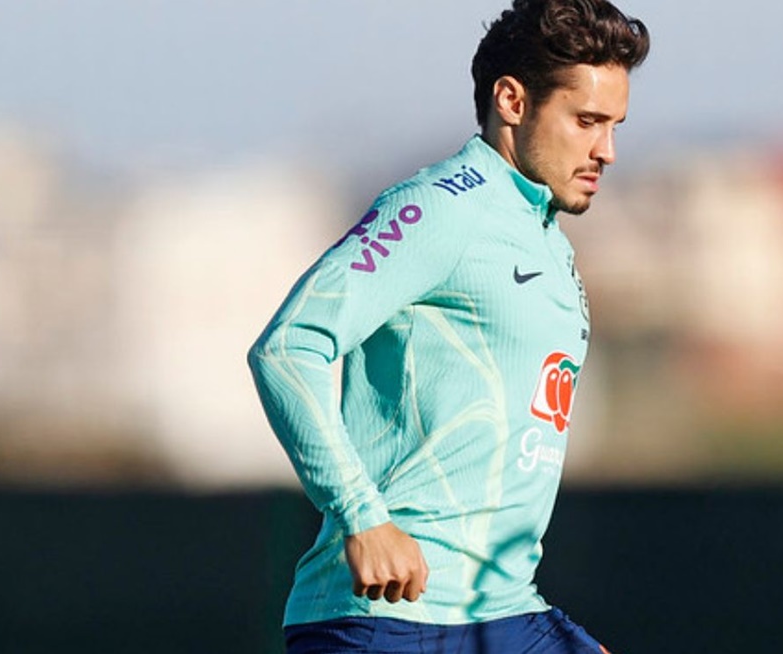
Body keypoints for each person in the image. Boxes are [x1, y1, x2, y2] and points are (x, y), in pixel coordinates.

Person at [248, 1, 649, 651]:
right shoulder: (440, 207)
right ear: (513, 101)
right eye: (587, 122)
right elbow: (288, 347)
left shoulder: (545, 239)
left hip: (504, 609)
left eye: (615, 126)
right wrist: (362, 517)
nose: (607, 149)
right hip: (388, 616)